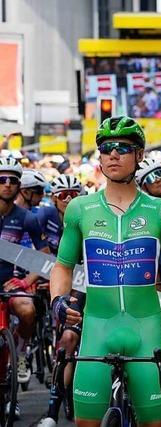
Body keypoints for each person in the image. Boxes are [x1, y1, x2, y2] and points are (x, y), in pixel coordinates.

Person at [50, 116, 161, 427]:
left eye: (122, 148)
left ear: (139, 155)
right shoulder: (80, 209)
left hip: (146, 331)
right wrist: (57, 300)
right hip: (96, 330)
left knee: (157, 423)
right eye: (105, 148)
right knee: (86, 422)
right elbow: (63, 266)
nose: (113, 154)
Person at [0, 157, 50, 409]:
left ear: (19, 185)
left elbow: (45, 255)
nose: (7, 185)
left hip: (12, 284)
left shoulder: (27, 218)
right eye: (2, 180)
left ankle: (20, 352)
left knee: (28, 310)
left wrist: (25, 281)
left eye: (13, 180)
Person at [38, 175, 84, 427]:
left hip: (90, 288)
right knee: (67, 341)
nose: (69, 199)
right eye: (63, 195)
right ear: (54, 198)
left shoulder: (89, 217)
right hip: (61, 284)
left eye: (74, 194)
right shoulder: (43, 218)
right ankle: (52, 411)